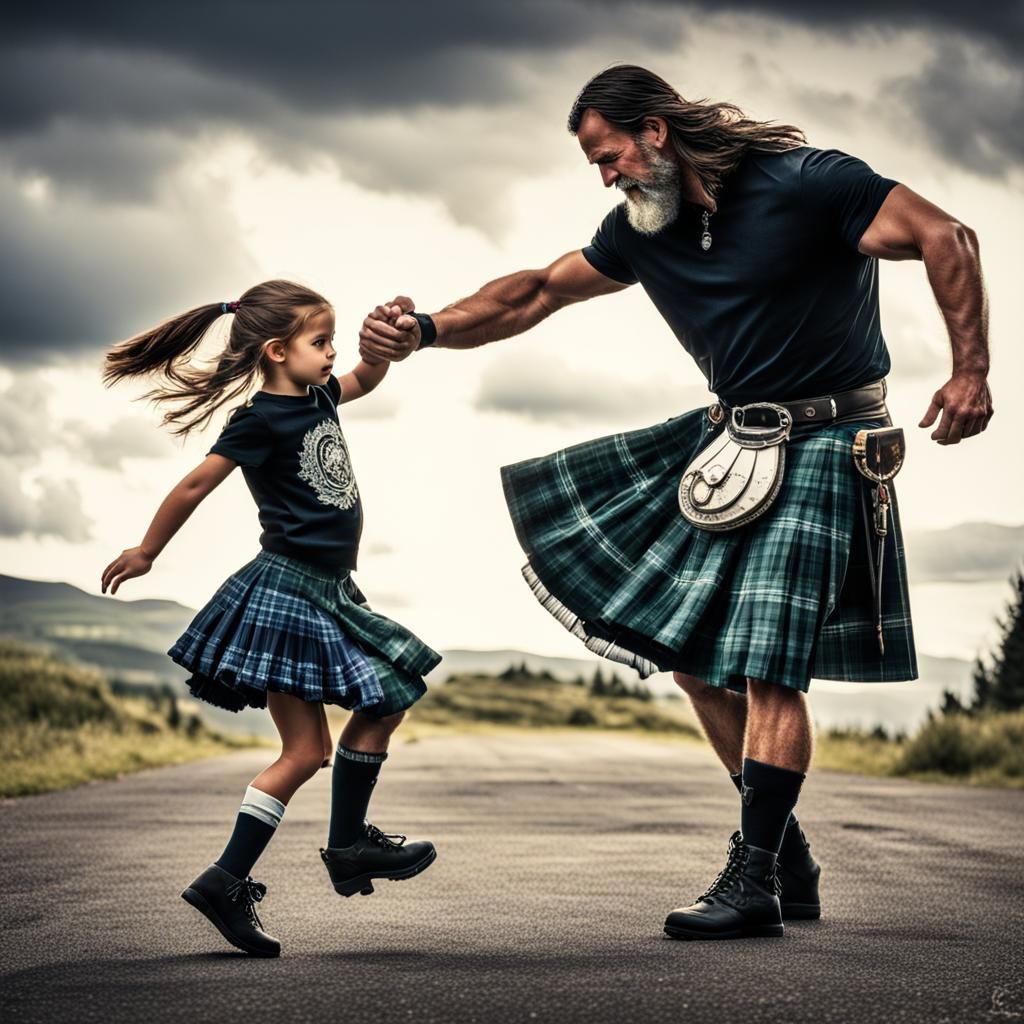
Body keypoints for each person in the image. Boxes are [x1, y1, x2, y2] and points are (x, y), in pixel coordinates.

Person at [358, 65, 992, 940]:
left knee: (770, 665)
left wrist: (971, 371)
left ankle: (754, 881)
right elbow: (535, 291)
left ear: (654, 131)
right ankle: (784, 853)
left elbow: (947, 235)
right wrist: (425, 329)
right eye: (595, 166)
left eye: (607, 155)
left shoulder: (810, 185)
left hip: (828, 439)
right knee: (693, 658)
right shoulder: (643, 230)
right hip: (728, 437)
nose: (606, 176)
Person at [101, 279, 440, 958]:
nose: (333, 352)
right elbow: (196, 483)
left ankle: (235, 877)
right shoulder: (259, 420)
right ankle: (341, 847)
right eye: (322, 342)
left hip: (328, 588)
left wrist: (386, 336)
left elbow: (367, 378)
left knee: (312, 749)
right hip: (290, 591)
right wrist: (145, 551)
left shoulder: (320, 396)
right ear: (279, 350)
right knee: (385, 695)